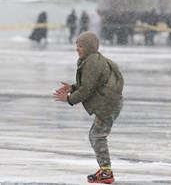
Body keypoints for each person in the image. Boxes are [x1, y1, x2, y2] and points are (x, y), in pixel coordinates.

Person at [53, 31, 124, 184]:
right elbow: (88, 84)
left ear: (88, 47)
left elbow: (87, 90)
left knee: (98, 136)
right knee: (94, 135)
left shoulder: (92, 62)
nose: (77, 48)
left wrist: (69, 99)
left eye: (80, 46)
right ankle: (104, 169)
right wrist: (72, 87)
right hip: (108, 103)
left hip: (109, 105)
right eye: (76, 45)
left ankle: (106, 172)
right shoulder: (91, 59)